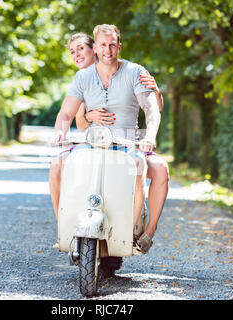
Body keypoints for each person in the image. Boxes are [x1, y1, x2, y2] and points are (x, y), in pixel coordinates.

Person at [50, 25, 169, 253]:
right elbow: (66, 113)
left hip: (128, 144)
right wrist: (60, 132)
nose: (108, 49)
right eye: (103, 45)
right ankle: (63, 229)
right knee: (56, 165)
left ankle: (136, 231)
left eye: (112, 44)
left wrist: (150, 135)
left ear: (119, 46)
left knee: (142, 165)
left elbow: (152, 109)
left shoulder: (135, 72)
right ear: (95, 48)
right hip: (93, 143)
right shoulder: (83, 77)